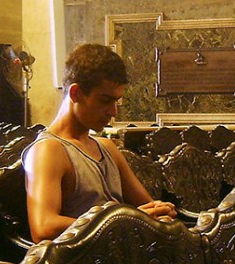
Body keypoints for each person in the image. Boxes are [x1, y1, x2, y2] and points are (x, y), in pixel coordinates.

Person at [23, 43, 176, 242]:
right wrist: (122, 222)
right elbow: (43, 227)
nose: (113, 112)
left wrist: (158, 212)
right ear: (76, 93)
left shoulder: (107, 147)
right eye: (105, 100)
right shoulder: (48, 150)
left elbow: (147, 208)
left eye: (116, 101)